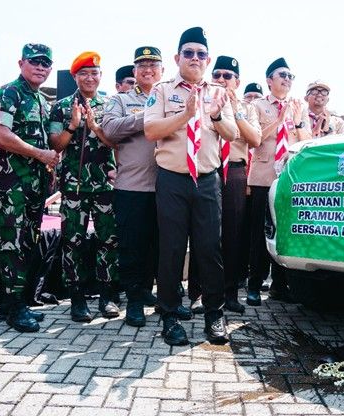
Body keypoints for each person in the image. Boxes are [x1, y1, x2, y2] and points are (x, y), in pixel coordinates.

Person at [144, 27, 237, 345]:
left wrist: (216, 117)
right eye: (189, 53)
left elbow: (233, 134)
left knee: (210, 249)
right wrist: (184, 115)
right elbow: (152, 130)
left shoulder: (218, 92)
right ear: (177, 58)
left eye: (200, 54)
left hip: (208, 181)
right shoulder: (162, 89)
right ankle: (169, 316)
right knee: (170, 250)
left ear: (207, 59)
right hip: (172, 179)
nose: (195, 58)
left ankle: (215, 315)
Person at [0, 43, 60, 332]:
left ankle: (11, 304)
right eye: (35, 62)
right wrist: (40, 154)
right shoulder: (8, 93)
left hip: (34, 184)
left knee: (27, 241)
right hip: (10, 184)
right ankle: (14, 305)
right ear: (21, 63)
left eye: (45, 63)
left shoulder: (42, 101)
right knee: (11, 242)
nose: (40, 67)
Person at [188, 55, 261, 315]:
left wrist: (233, 110)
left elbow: (254, 139)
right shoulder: (201, 98)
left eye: (227, 76)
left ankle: (229, 293)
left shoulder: (248, 107)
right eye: (217, 75)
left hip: (235, 170)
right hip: (207, 169)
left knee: (232, 234)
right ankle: (198, 293)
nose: (221, 80)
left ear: (237, 81)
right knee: (203, 234)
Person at [49, 51, 120, 320]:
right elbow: (56, 145)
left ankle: (107, 296)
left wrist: (95, 127)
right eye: (84, 73)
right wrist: (73, 125)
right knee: (73, 242)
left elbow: (118, 143)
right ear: (75, 77)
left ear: (101, 76)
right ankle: (77, 299)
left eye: (94, 73)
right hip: (73, 187)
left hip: (105, 186)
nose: (89, 78)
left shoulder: (111, 105)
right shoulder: (61, 106)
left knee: (108, 242)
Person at [102, 46, 164, 327]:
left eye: (153, 65)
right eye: (141, 65)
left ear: (162, 69)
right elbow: (110, 129)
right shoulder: (121, 99)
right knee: (132, 247)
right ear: (134, 71)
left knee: (160, 247)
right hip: (133, 187)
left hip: (167, 186)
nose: (147, 70)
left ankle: (152, 292)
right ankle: (134, 301)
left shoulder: (171, 98)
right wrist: (148, 117)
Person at [247, 58, 309, 307]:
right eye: (282, 74)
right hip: (263, 178)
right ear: (269, 80)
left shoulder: (299, 107)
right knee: (259, 235)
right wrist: (280, 117)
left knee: (284, 233)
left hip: (287, 180)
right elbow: (255, 139)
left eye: (291, 76)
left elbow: (306, 139)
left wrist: (297, 120)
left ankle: (280, 285)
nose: (287, 79)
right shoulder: (257, 105)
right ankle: (253, 285)